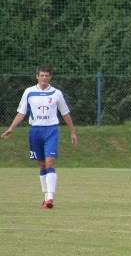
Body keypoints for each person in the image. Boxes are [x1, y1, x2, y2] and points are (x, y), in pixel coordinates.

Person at [2, 65, 78, 208]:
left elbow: (65, 113)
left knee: (50, 162)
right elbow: (22, 112)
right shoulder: (29, 92)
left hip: (51, 130)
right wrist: (11, 128)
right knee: (42, 165)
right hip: (35, 131)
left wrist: (72, 131)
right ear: (37, 76)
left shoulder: (56, 93)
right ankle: (45, 195)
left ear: (50, 77)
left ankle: (50, 198)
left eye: (47, 75)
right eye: (42, 75)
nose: (44, 78)